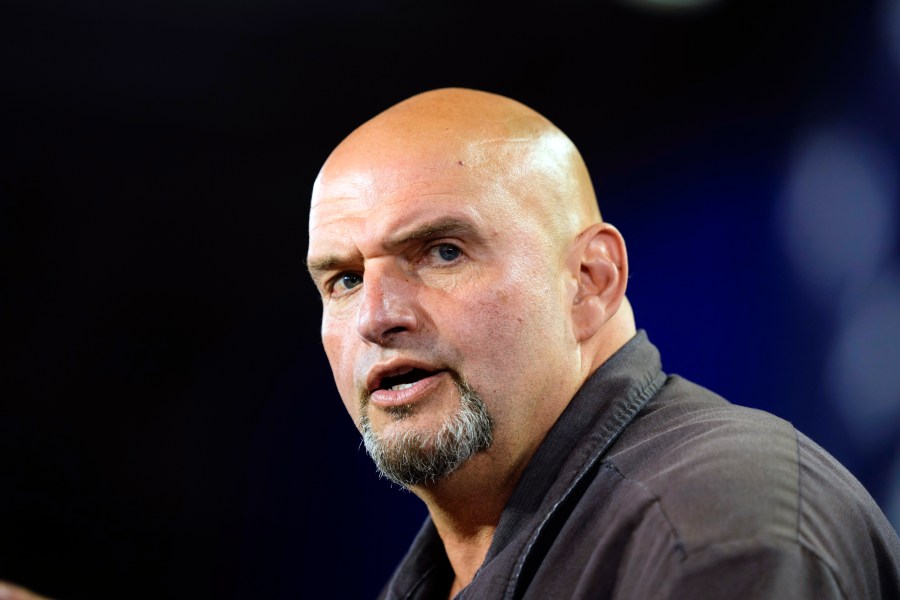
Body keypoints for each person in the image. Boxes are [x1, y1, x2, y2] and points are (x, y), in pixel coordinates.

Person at [306, 87, 900, 599]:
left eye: (443, 252)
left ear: (592, 281)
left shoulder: (709, 527)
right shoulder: (443, 572)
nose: (376, 317)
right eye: (346, 280)